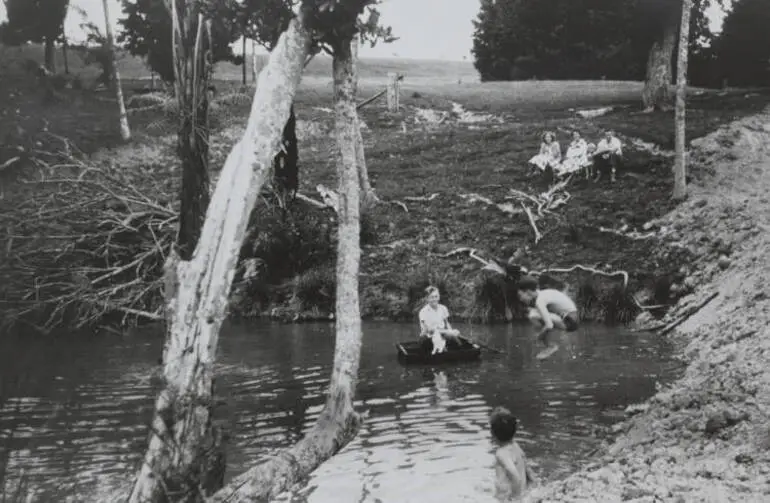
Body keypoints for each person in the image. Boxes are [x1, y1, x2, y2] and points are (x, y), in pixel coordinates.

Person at [516, 275, 579, 359]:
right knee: (534, 313)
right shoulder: (542, 294)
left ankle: (551, 346)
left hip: (570, 322)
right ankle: (550, 344)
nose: (520, 299)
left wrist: (539, 336)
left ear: (528, 292)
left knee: (533, 315)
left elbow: (549, 325)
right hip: (570, 318)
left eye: (520, 295)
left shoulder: (540, 301)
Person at [490, 406, 537, 501]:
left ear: (492, 433)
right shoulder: (516, 447)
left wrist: (515, 498)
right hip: (524, 496)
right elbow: (531, 476)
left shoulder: (501, 453)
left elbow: (514, 475)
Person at [418, 286, 461, 354]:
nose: (434, 299)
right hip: (428, 337)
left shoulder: (443, 308)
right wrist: (449, 332)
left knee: (458, 343)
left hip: (442, 334)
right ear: (427, 298)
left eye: (436, 296)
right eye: (432, 297)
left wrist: (452, 332)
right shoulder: (423, 311)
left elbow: (447, 323)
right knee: (437, 345)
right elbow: (430, 330)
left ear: (439, 297)